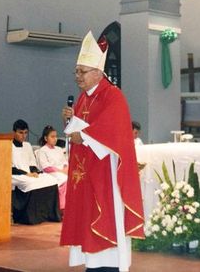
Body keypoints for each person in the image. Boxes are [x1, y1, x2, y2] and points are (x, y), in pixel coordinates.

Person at [60, 31, 144, 272]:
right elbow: (82, 129)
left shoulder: (113, 96)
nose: (77, 76)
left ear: (98, 72)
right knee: (87, 218)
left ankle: (108, 264)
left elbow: (112, 130)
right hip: (87, 170)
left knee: (106, 214)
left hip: (106, 171)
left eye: (82, 71)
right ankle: (93, 264)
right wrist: (71, 121)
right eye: (76, 71)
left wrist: (82, 135)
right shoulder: (83, 98)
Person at [11, 119, 61, 225]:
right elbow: (10, 167)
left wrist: (35, 172)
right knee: (30, 183)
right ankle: (29, 218)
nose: (23, 136)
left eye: (25, 133)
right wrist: (27, 174)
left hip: (30, 174)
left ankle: (49, 215)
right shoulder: (8, 146)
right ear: (13, 132)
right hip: (15, 175)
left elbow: (32, 163)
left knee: (51, 180)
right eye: (20, 133)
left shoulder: (28, 145)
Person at [36, 125, 68, 211]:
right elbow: (45, 167)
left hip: (62, 172)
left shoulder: (59, 149)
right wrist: (60, 171)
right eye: (52, 137)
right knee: (65, 179)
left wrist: (65, 169)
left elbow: (65, 162)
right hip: (51, 173)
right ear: (46, 138)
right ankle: (62, 207)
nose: (55, 139)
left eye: (56, 136)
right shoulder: (42, 150)